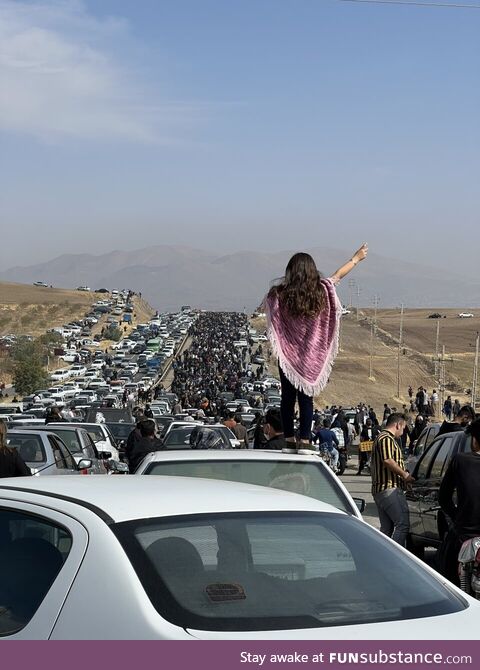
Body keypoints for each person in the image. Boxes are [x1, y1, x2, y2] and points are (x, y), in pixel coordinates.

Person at [264, 243, 368, 451]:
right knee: (306, 399)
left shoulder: (280, 294)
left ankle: (289, 439)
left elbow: (274, 318)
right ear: (312, 271)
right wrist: (356, 258)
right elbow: (338, 276)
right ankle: (304, 440)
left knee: (287, 398)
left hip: (288, 355)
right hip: (311, 354)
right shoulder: (321, 292)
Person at [439, 419, 480, 585]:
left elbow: (444, 498)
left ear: (474, 440)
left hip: (464, 535)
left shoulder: (460, 461)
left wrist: (459, 517)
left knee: (446, 579)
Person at [370, 413, 415, 546]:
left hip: (382, 490)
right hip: (389, 488)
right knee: (402, 524)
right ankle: (396, 558)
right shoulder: (386, 439)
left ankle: (382, 556)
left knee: (387, 529)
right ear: (398, 425)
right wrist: (405, 475)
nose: (402, 433)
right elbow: (388, 460)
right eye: (403, 429)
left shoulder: (382, 438)